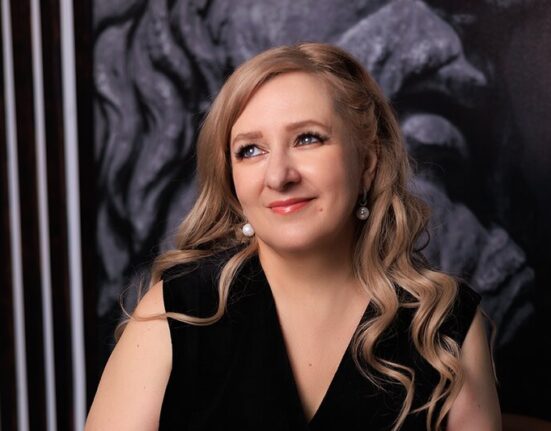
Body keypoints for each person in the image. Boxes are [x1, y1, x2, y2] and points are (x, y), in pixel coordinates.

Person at [85, 42, 501, 430]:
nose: (279, 176)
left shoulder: (442, 325)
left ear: (367, 163)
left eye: (307, 138)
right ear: (232, 180)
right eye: (250, 150)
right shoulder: (176, 313)